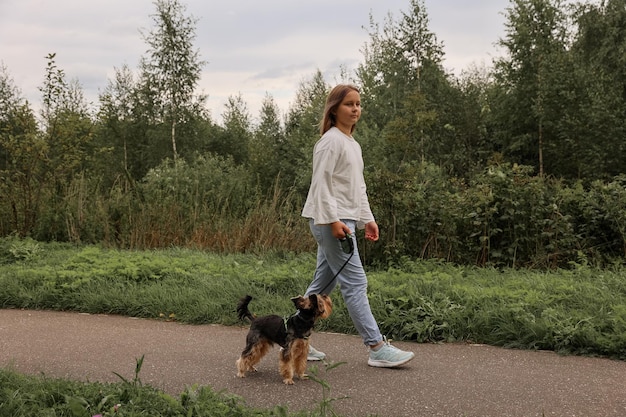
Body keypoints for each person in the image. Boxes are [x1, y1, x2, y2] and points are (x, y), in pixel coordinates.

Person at [301, 84, 415, 368]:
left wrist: (368, 219)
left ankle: (295, 339)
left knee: (322, 285)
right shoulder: (330, 141)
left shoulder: (352, 144)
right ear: (334, 109)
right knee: (355, 282)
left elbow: (357, 188)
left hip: (344, 219)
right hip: (332, 220)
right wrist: (334, 220)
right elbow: (321, 184)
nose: (355, 109)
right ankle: (377, 347)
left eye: (358, 104)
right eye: (349, 104)